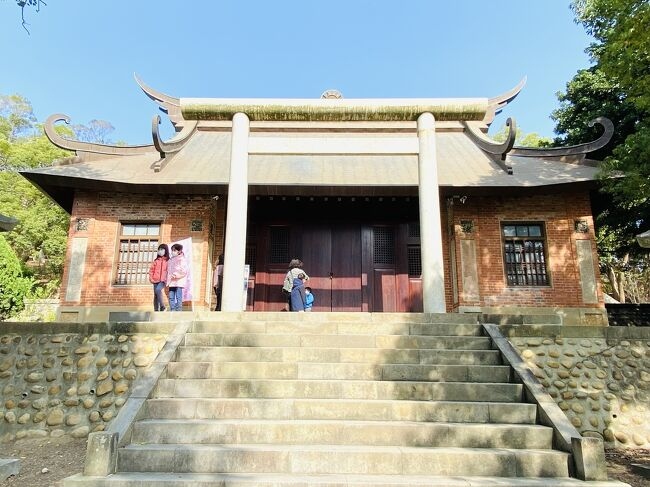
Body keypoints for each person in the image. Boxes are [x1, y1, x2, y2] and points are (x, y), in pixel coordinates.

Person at [167, 243, 188, 311]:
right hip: (171, 281)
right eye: (172, 250)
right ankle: (172, 310)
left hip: (179, 281)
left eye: (174, 250)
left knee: (178, 297)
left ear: (179, 251)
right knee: (171, 297)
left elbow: (184, 271)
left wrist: (176, 275)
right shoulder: (170, 260)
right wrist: (168, 277)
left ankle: (179, 310)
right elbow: (168, 270)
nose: (173, 252)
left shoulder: (182, 260)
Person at [148, 243, 169, 311]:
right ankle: (156, 310)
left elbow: (169, 271)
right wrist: (151, 278)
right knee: (156, 295)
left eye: (162, 249)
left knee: (158, 290)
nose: (160, 251)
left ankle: (162, 306)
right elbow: (151, 270)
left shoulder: (168, 261)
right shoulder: (156, 261)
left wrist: (166, 279)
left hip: (163, 280)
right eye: (159, 249)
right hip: (155, 280)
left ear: (165, 250)